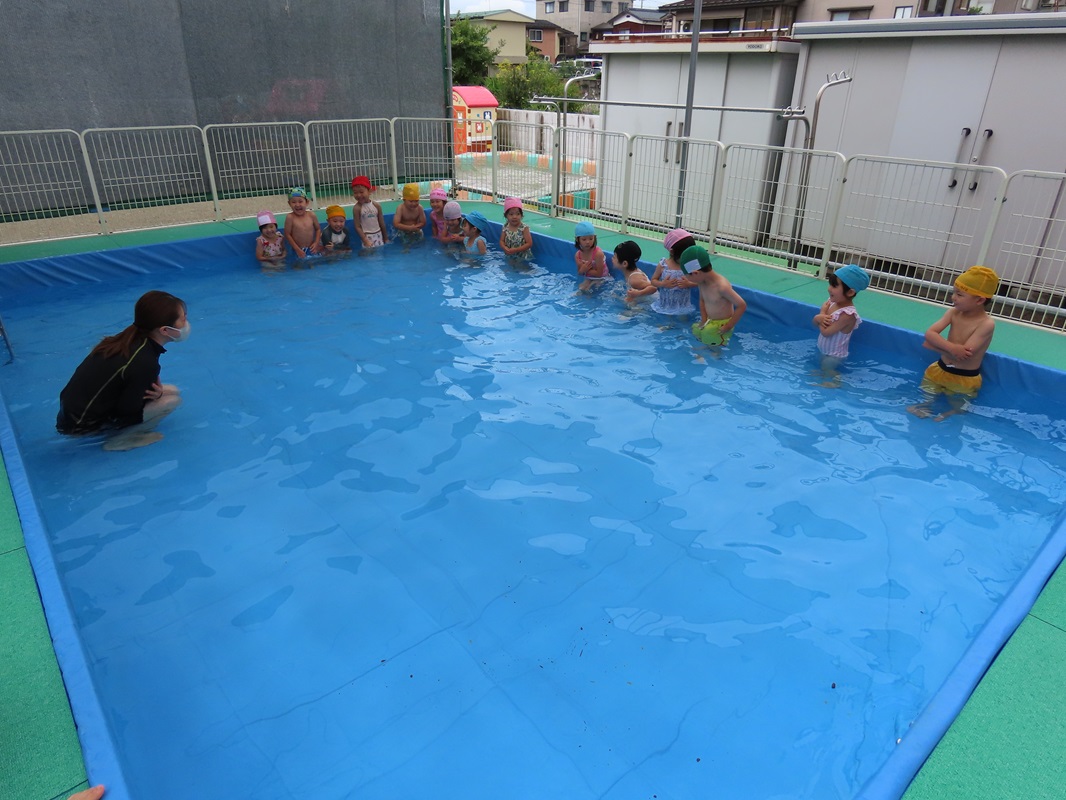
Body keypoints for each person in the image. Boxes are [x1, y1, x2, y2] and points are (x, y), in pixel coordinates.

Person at [56, 290, 188, 451]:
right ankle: (122, 440)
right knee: (170, 402)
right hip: (82, 427)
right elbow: (128, 412)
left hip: (71, 414)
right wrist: (156, 398)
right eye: (183, 319)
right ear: (164, 330)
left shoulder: (131, 337)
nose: (186, 323)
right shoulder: (144, 362)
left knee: (171, 390)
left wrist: (155, 395)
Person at [908, 265, 1000, 421]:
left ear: (979, 300)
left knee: (959, 403)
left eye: (959, 294)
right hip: (939, 369)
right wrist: (951, 347)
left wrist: (935, 346)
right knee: (928, 393)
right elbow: (930, 333)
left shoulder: (986, 324)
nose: (953, 297)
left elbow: (963, 355)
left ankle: (952, 412)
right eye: (953, 292)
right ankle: (926, 405)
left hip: (964, 377)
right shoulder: (953, 312)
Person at [679, 245, 747, 346]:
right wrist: (704, 319)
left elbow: (742, 305)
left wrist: (728, 326)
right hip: (710, 321)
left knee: (709, 341)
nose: (688, 280)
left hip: (722, 324)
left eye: (688, 277)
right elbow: (702, 301)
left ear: (695, 273)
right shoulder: (702, 282)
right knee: (695, 330)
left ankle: (714, 353)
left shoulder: (721, 287)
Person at [812, 264, 870, 380]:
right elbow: (815, 323)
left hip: (834, 356)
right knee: (821, 369)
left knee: (828, 369)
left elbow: (826, 332)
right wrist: (818, 318)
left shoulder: (847, 315)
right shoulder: (832, 302)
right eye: (830, 284)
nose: (829, 288)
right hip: (823, 349)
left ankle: (836, 381)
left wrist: (821, 314)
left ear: (850, 292)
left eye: (834, 286)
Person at [650, 228, 697, 316]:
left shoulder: (689, 265)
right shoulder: (663, 265)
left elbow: (701, 281)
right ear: (672, 252)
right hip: (665, 305)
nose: (687, 259)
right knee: (665, 321)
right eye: (684, 256)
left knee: (683, 321)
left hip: (683, 305)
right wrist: (663, 284)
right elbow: (653, 281)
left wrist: (689, 284)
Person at [614, 240, 657, 306]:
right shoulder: (631, 272)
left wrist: (639, 293)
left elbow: (654, 287)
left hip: (653, 302)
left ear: (624, 263)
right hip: (645, 300)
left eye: (614, 257)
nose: (612, 259)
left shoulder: (634, 279)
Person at [282, 187, 322, 257]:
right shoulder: (290, 217)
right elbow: (287, 235)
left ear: (307, 202)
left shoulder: (311, 215)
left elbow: (318, 229)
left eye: (300, 201)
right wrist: (297, 249)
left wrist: (316, 243)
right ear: (289, 204)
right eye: (293, 202)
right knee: (298, 267)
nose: (297, 205)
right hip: (298, 250)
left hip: (311, 248)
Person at [351, 175, 387, 248]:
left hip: (378, 234)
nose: (358, 195)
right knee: (368, 255)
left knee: (379, 255)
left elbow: (382, 223)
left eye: (361, 192)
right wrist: (365, 240)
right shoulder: (357, 208)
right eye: (355, 192)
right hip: (367, 236)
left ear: (369, 191)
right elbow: (357, 226)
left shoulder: (376, 206)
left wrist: (385, 238)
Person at [574, 220, 607, 292]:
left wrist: (586, 269)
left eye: (591, 238)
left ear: (594, 238)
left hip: (602, 278)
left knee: (590, 289)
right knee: (581, 288)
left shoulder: (598, 253)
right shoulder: (578, 255)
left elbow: (599, 274)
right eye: (584, 239)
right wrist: (582, 270)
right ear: (577, 239)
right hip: (589, 277)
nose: (588, 242)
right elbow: (579, 272)